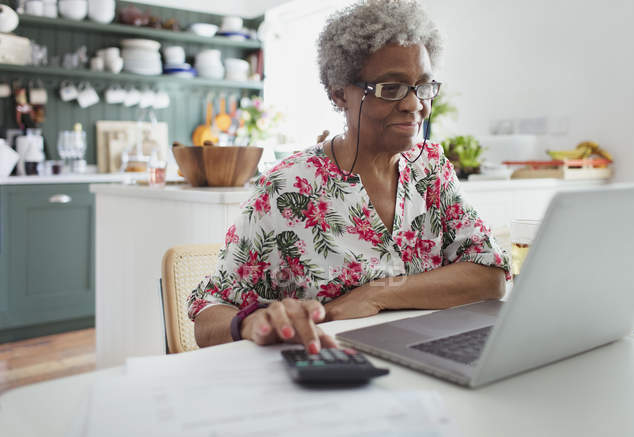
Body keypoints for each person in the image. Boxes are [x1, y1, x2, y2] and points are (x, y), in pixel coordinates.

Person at [188, 0, 510, 355]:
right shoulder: (290, 189)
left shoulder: (430, 170)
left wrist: (378, 293)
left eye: (423, 85)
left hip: (426, 359)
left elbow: (490, 277)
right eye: (392, 88)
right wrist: (249, 323)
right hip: (331, 374)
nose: (414, 104)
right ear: (339, 93)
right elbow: (208, 314)